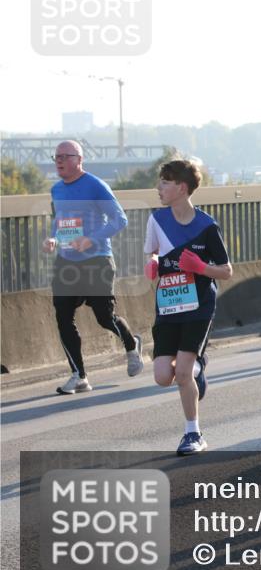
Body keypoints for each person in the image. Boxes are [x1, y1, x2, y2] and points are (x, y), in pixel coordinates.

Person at [144, 159, 232, 455]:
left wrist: (200, 266)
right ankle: (197, 368)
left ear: (181, 188)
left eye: (165, 182)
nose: (159, 187)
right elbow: (154, 253)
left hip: (198, 307)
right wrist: (153, 265)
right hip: (168, 306)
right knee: (161, 376)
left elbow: (226, 270)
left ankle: (193, 434)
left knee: (181, 373)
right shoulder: (157, 219)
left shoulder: (206, 226)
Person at [42, 140, 143, 395]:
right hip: (67, 261)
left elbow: (120, 220)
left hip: (97, 259)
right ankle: (79, 376)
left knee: (104, 316)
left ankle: (131, 344)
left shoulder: (96, 185)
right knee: (63, 318)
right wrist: (54, 238)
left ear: (79, 159)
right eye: (56, 157)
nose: (59, 161)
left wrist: (90, 238)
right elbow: (60, 222)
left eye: (65, 156)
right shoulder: (56, 189)